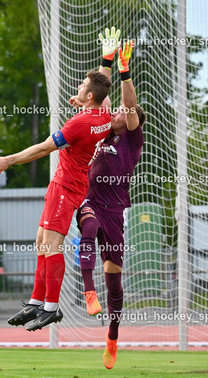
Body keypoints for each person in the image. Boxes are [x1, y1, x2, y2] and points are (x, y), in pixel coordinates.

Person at [0, 68, 113, 331]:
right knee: (41, 242)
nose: (78, 86)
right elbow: (105, 97)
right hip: (66, 184)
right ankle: (36, 301)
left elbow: (44, 148)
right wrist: (106, 62)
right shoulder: (102, 114)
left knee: (52, 245)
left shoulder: (80, 123)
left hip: (67, 186)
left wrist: (9, 159)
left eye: (83, 86)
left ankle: (51, 308)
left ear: (90, 96)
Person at [70, 29, 145, 369]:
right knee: (87, 229)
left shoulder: (130, 137)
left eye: (123, 116)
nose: (116, 115)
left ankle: (112, 338)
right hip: (90, 200)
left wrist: (126, 70)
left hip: (116, 211)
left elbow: (128, 105)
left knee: (115, 280)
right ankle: (88, 291)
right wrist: (107, 59)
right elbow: (100, 94)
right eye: (114, 114)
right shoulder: (102, 126)